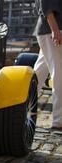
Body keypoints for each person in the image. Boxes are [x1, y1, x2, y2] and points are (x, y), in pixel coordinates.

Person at [35, 0, 62, 131]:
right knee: (59, 75)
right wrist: (55, 30)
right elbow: (46, 5)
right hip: (53, 31)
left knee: (38, 74)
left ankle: (15, 105)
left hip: (48, 31)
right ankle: (59, 121)